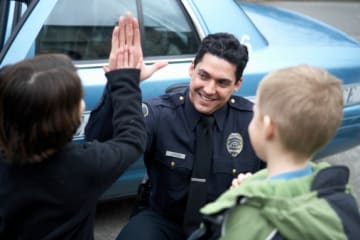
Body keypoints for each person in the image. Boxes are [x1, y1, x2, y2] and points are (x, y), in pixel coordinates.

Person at [85, 13, 265, 240]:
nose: (209, 90)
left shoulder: (252, 122)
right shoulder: (160, 113)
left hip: (224, 224)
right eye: (204, 76)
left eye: (222, 83)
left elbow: (283, 175)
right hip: (164, 219)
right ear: (191, 69)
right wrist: (120, 84)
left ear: (237, 85)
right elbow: (99, 144)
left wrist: (258, 187)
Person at [0, 14, 146, 239]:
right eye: (78, 97)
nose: (83, 102)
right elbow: (132, 139)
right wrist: (125, 80)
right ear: (64, 120)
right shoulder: (84, 167)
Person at [189, 65, 360, 240]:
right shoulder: (341, 195)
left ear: (268, 127)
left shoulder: (246, 218)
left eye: (255, 115)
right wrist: (256, 185)